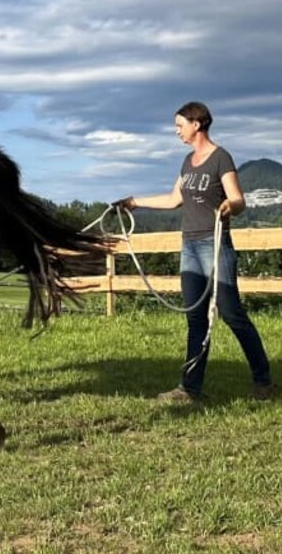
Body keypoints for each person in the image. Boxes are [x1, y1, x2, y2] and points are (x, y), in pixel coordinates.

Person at [114, 101, 273, 402]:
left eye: (180, 125)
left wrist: (231, 206)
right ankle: (190, 388)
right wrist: (134, 202)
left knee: (231, 312)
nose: (177, 131)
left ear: (196, 124)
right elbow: (175, 199)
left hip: (214, 246)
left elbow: (239, 199)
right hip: (189, 245)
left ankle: (263, 380)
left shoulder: (220, 158)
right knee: (195, 317)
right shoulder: (187, 162)